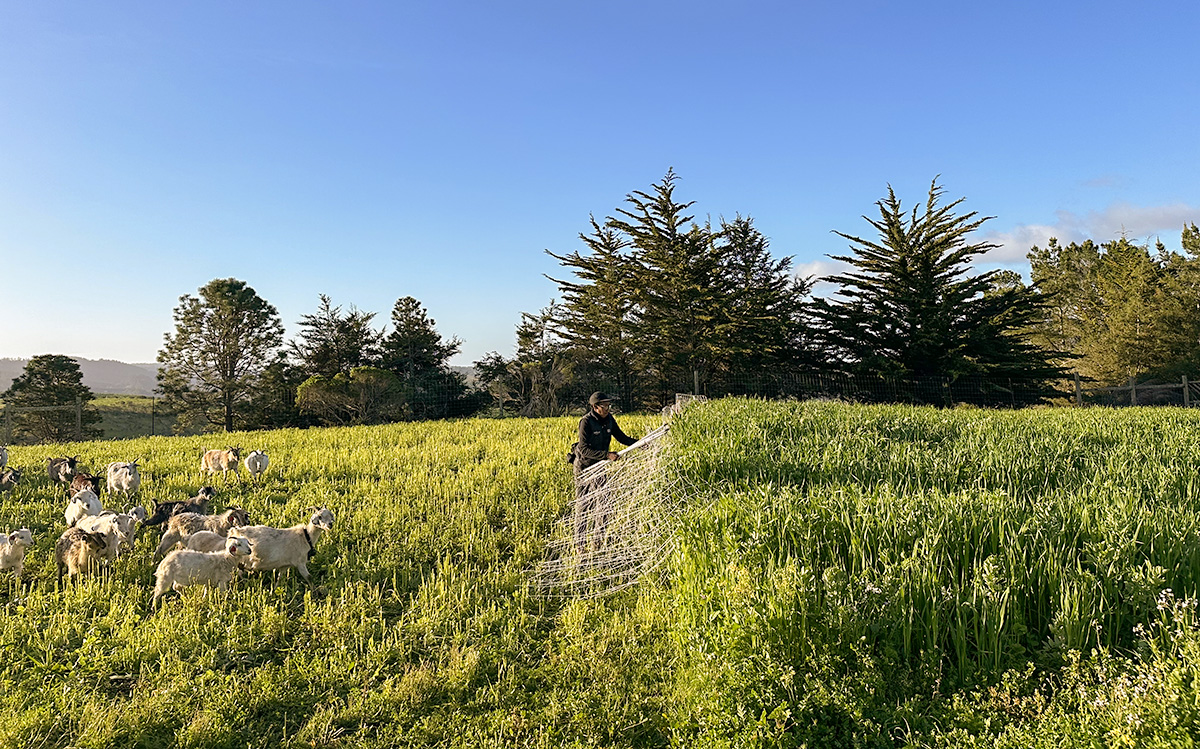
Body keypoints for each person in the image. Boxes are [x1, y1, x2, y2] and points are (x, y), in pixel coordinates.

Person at [572, 391, 638, 553]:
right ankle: (580, 545)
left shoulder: (609, 420)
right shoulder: (586, 422)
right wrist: (606, 455)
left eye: (609, 405)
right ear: (595, 407)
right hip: (584, 468)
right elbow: (584, 449)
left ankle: (598, 540)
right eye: (604, 406)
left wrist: (639, 443)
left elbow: (621, 437)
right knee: (584, 505)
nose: (608, 408)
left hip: (600, 467)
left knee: (605, 503)